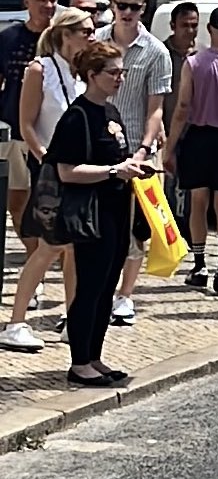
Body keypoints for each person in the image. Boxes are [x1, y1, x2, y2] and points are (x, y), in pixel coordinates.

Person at [49, 42, 151, 385]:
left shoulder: (112, 112)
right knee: (90, 285)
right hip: (90, 211)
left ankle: (95, 355)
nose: (120, 78)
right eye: (113, 73)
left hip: (117, 208)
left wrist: (135, 167)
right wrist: (112, 171)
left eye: (122, 72)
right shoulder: (77, 117)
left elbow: (116, 159)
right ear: (92, 75)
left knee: (108, 284)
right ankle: (79, 363)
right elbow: (66, 170)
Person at [0, 9, 94, 351]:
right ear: (65, 34)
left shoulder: (81, 73)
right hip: (50, 169)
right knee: (49, 246)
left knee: (73, 249)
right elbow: (27, 123)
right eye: (84, 30)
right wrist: (46, 160)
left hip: (77, 170)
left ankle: (73, 318)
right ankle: (16, 322)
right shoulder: (40, 70)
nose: (91, 35)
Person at [96, 0, 171, 325]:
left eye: (134, 7)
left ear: (144, 9)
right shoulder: (96, 43)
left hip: (136, 144)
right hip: (97, 143)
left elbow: (155, 107)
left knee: (135, 226)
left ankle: (125, 295)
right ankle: (97, 289)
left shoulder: (155, 51)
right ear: (112, 4)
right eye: (121, 5)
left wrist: (144, 149)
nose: (127, 12)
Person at [164, 6, 218, 294]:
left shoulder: (194, 63)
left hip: (198, 137)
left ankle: (199, 264)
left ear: (209, 28)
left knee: (198, 202)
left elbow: (183, 107)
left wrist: (170, 146)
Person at [0, 0, 59, 310]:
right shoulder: (9, 38)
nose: (48, 6)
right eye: (42, 0)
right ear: (27, 3)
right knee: (19, 206)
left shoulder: (61, 41)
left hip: (52, 137)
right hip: (17, 135)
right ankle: (33, 264)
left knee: (51, 209)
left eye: (52, 0)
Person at [162, 2, 200, 246]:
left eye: (194, 25)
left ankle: (184, 232)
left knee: (189, 187)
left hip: (194, 131)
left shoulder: (202, 56)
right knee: (165, 184)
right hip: (164, 128)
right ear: (173, 26)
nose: (189, 31)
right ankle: (165, 234)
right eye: (185, 25)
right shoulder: (161, 53)